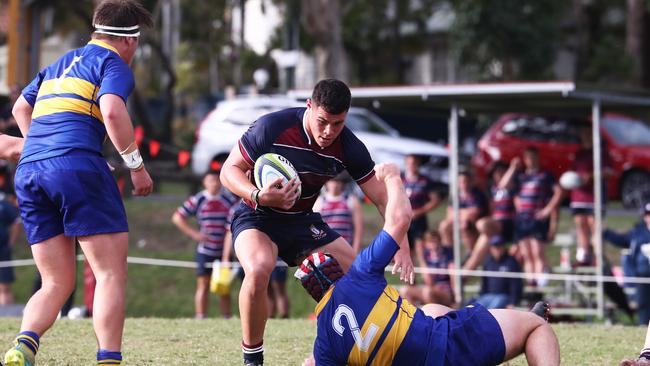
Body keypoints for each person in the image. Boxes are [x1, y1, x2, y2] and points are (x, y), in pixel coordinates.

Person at [220, 79, 414, 366]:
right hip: (257, 215)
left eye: (337, 124)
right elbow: (229, 170)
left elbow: (383, 199)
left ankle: (381, 349)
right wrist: (258, 195)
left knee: (361, 276)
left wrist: (402, 244)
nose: (328, 131)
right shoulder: (272, 127)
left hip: (302, 221)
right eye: (323, 121)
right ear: (309, 106)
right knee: (259, 269)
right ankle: (253, 358)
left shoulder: (348, 145)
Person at [3, 1, 154, 365]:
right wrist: (135, 165)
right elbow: (114, 110)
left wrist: (41, 144)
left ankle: (23, 346)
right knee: (109, 274)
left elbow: (20, 109)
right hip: (78, 166)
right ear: (130, 41)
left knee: (55, 281)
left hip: (31, 171)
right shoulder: (112, 63)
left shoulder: (60, 62)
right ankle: (108, 359)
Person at [296, 163, 560, 366]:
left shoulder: (324, 340)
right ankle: (527, 321)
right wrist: (392, 178)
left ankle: (483, 320)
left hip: (417, 349)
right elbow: (399, 220)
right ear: (337, 270)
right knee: (536, 327)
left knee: (433, 309)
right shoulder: (358, 275)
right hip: (445, 350)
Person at [172, 169, 238, 319]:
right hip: (205, 250)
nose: (214, 184)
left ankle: (226, 317)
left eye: (216, 180)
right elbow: (177, 217)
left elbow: (231, 227)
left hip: (224, 251)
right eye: (210, 181)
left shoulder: (229, 200)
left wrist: (227, 255)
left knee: (224, 286)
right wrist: (194, 234)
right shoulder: (198, 199)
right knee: (203, 284)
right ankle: (201, 316)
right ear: (204, 182)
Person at [513, 147, 563, 286]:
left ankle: (541, 280)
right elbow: (515, 194)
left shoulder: (545, 175)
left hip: (537, 219)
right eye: (528, 157)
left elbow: (558, 192)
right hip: (523, 219)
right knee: (526, 253)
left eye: (533, 157)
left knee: (537, 251)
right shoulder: (521, 176)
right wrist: (520, 210)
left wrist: (548, 210)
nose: (531, 160)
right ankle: (531, 281)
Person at [464, 158, 519, 270]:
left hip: (509, 224)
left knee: (482, 224)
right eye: (495, 172)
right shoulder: (493, 189)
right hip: (495, 226)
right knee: (482, 241)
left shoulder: (513, 186)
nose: (498, 174)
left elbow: (504, 185)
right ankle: (463, 275)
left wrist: (513, 168)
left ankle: (490, 254)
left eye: (501, 171)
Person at [569, 125, 611, 266]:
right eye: (584, 134)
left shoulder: (601, 153)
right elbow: (572, 173)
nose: (586, 136)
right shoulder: (579, 154)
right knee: (581, 225)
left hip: (595, 198)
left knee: (595, 227)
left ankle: (598, 258)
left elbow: (609, 172)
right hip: (578, 197)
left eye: (589, 134)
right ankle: (583, 257)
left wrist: (592, 176)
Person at [603, 202, 650, 325]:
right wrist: (605, 232)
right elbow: (621, 240)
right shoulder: (638, 232)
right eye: (648, 214)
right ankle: (643, 325)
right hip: (642, 276)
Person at [400, 230, 455, 307]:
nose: (433, 244)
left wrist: (455, 296)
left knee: (428, 292)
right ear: (426, 244)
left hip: (445, 291)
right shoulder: (426, 256)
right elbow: (428, 281)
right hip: (430, 288)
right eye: (430, 241)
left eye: (435, 240)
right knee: (405, 291)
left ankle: (431, 316)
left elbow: (453, 276)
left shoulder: (447, 254)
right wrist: (421, 259)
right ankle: (413, 317)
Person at [313, 173, 363, 254]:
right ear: (326, 182)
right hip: (325, 250)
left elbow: (358, 229)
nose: (335, 185)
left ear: (342, 183)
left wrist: (355, 251)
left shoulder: (351, 200)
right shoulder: (319, 202)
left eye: (338, 181)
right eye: (332, 181)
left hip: (346, 249)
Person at [438, 171, 488, 253]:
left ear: (471, 181)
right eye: (460, 181)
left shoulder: (477, 194)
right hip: (457, 220)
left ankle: (470, 253)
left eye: (465, 181)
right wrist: (464, 213)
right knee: (444, 226)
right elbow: (449, 213)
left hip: (473, 223)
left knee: (465, 225)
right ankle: (449, 254)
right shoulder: (455, 195)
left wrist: (459, 213)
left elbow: (475, 212)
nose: (463, 184)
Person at [473, 236, 523, 309]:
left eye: (499, 246)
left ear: (503, 247)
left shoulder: (511, 262)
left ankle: (486, 320)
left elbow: (516, 284)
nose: (497, 249)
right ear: (491, 248)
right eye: (495, 247)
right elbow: (484, 281)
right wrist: (481, 294)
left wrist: (513, 302)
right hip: (488, 295)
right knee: (475, 307)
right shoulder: (488, 262)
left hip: (504, 296)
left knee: (491, 309)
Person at [403, 154, 441, 248]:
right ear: (406, 163)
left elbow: (435, 200)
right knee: (405, 247)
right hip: (403, 218)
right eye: (410, 163)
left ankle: (422, 262)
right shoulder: (400, 179)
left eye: (414, 163)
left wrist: (419, 212)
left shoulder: (425, 180)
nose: (412, 166)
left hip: (418, 220)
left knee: (421, 246)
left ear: (418, 164)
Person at [0, 194, 20, 305]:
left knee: (4, 286)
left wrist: (11, 243)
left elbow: (16, 222)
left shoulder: (4, 204)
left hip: (3, 250)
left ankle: (5, 314)